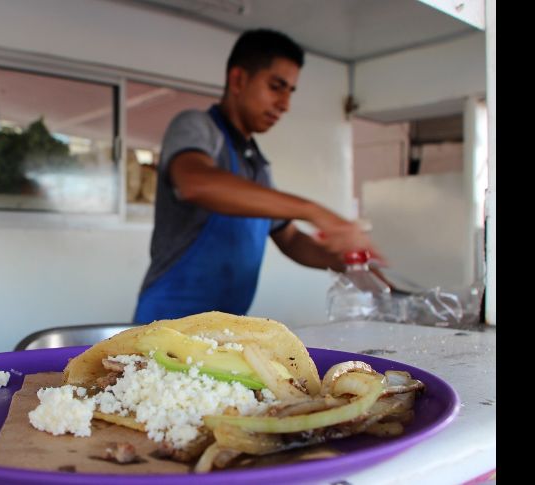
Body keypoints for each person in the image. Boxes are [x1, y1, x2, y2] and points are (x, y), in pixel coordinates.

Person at [133, 28, 383, 324]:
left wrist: (349, 260)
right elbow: (195, 183)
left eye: (290, 92)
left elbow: (290, 239)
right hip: (168, 322)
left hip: (226, 326)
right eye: (276, 87)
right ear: (238, 79)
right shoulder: (197, 127)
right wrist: (314, 211)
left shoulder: (257, 166)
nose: (285, 104)